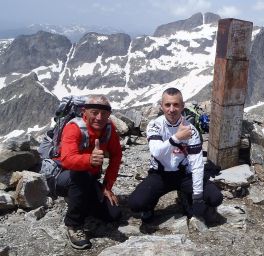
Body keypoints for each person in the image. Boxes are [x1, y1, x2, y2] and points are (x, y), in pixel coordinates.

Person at [128, 87, 223, 225]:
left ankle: (187, 197)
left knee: (215, 198)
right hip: (160, 174)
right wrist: (177, 138)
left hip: (183, 174)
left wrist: (197, 197)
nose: (172, 109)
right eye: (167, 105)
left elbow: (196, 164)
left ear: (182, 106)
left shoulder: (192, 130)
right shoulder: (154, 125)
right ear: (162, 106)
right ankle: (149, 207)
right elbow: (157, 152)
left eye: (176, 104)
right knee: (136, 203)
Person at [55, 94, 122, 250]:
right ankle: (73, 225)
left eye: (104, 114)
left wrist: (107, 186)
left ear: (109, 114)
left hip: (89, 179)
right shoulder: (73, 128)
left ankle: (79, 200)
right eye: (94, 113)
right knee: (81, 175)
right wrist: (89, 160)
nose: (99, 117)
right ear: (85, 112)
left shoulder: (108, 129)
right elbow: (66, 159)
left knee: (113, 214)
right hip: (63, 178)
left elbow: (116, 154)